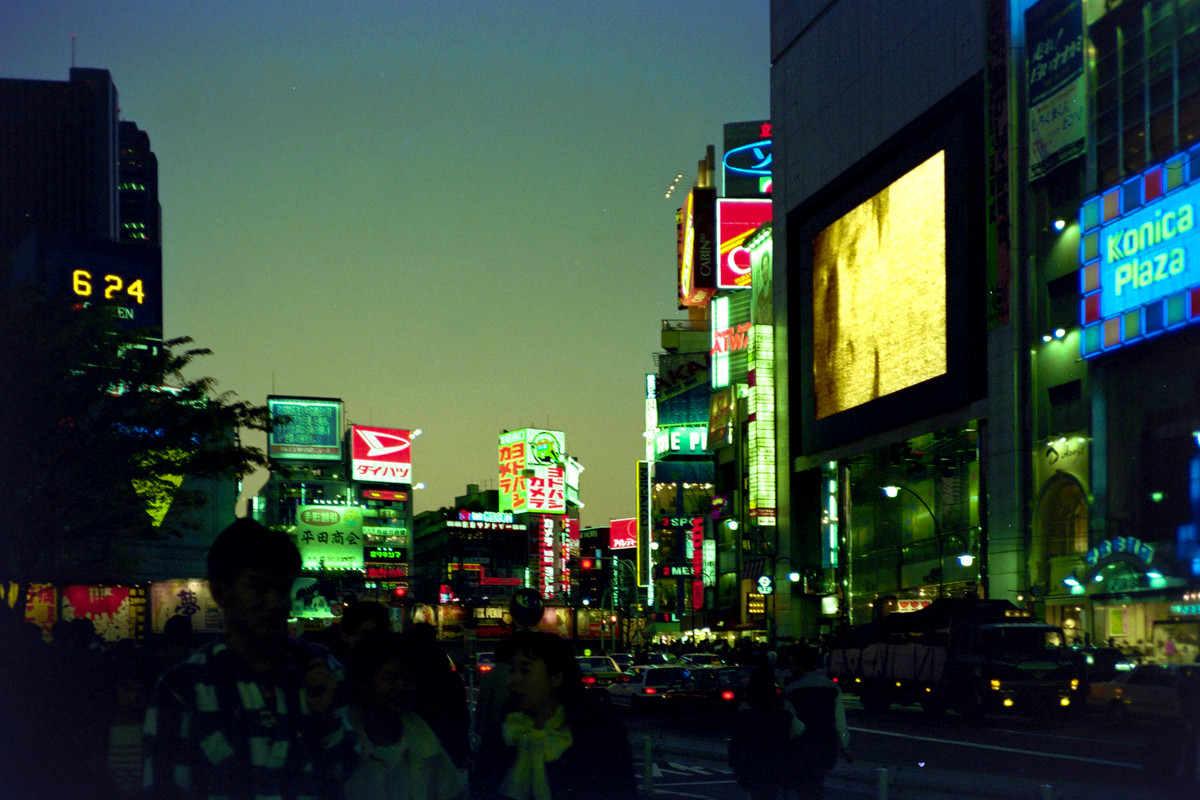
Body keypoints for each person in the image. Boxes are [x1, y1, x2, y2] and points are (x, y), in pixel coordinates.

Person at [142, 518, 358, 800]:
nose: (276, 602)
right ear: (221, 592)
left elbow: (348, 773)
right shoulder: (183, 688)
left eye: (284, 588)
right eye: (258, 587)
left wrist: (327, 719)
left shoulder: (321, 669)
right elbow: (164, 789)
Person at [471, 630, 635, 799]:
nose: (513, 680)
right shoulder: (501, 736)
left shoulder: (600, 738)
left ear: (556, 677)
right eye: (512, 670)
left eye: (525, 670)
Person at [342, 631, 467, 800]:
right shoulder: (342, 740)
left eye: (408, 679)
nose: (402, 687)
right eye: (389, 679)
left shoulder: (425, 741)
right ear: (363, 685)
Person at [782, 645, 850, 800]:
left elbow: (792, 724)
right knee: (818, 784)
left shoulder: (791, 690)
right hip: (825, 745)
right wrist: (845, 746)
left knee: (803, 787)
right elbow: (840, 722)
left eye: (792, 665)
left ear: (801, 666)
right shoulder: (832, 688)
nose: (790, 669)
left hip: (801, 748)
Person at [728, 664, 804, 800]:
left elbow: (738, 739)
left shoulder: (746, 709)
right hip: (776, 762)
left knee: (757, 794)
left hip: (753, 762)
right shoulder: (782, 709)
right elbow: (799, 729)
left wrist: (735, 762)